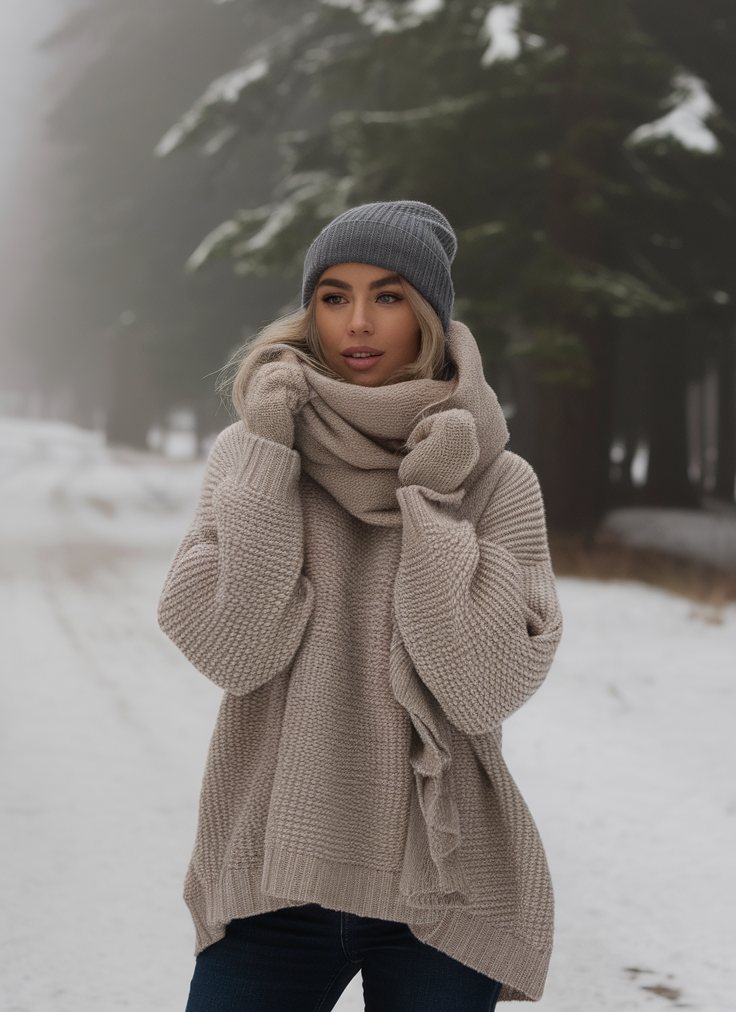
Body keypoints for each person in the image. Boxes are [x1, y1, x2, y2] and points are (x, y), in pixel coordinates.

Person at [158, 200, 562, 1011]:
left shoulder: (495, 477)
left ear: (429, 317)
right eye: (334, 297)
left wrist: (431, 502)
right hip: (274, 877)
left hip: (439, 892)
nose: (358, 322)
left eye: (388, 295)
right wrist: (272, 453)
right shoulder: (252, 452)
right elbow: (236, 649)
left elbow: (482, 685)